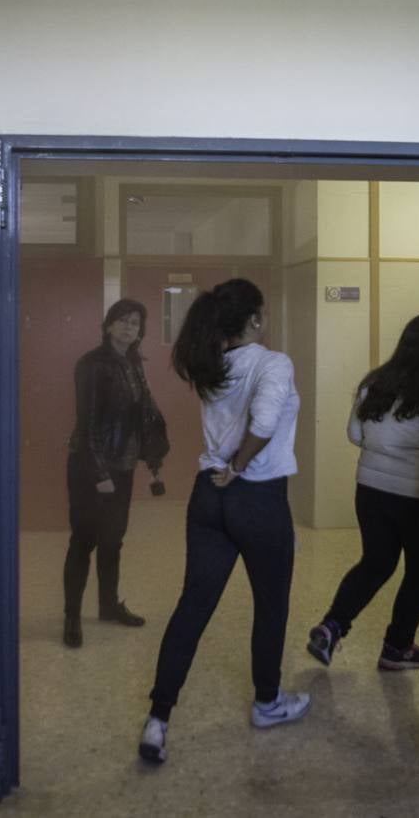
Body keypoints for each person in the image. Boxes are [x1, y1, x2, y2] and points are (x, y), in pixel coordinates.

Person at [138, 278, 307, 764]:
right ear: (253, 319)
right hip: (257, 498)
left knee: (193, 606)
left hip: (207, 499)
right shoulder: (274, 363)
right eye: (264, 313)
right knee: (271, 605)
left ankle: (158, 721)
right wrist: (239, 465)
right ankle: (268, 703)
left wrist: (226, 468)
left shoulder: (214, 364)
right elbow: (266, 422)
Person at [307, 315, 419, 670]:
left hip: (371, 490)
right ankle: (397, 647)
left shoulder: (375, 382)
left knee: (375, 563)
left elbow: (355, 435)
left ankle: (332, 625)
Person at [63, 299, 168, 648]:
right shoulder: (91, 365)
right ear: (108, 325)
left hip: (122, 466)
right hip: (91, 468)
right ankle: (72, 618)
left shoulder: (134, 364)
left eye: (135, 323)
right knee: (83, 542)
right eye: (122, 321)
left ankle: (108, 606)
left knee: (113, 540)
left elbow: (140, 416)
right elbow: (88, 422)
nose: (128, 327)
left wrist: (151, 453)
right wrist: (98, 473)